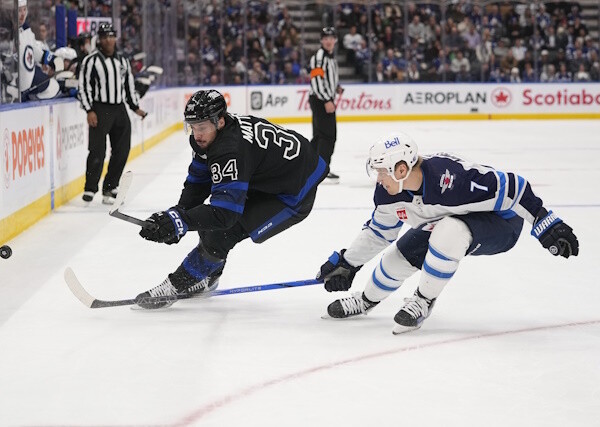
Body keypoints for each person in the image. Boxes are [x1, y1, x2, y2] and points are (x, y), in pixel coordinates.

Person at [317, 132, 579, 334]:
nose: (378, 179)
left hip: (501, 224)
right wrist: (347, 262)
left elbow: (514, 186)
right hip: (451, 220)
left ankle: (423, 300)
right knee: (396, 259)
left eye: (382, 171)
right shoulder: (388, 193)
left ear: (401, 169)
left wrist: (545, 221)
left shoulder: (452, 178)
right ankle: (365, 301)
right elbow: (378, 233)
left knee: (449, 232)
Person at [136, 89, 329, 309]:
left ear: (219, 121)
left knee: (223, 232)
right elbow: (198, 182)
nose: (196, 134)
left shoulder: (230, 150)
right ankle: (206, 278)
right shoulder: (213, 137)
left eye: (201, 127)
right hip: (275, 176)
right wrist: (177, 215)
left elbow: (224, 216)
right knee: (206, 219)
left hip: (294, 193)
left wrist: (179, 221)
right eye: (192, 126)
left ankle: (173, 287)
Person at [78, 23, 147, 204]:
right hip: (100, 109)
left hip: (119, 108)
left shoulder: (123, 61)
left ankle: (110, 187)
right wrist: (89, 110)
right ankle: (90, 188)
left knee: (122, 149)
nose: (109, 39)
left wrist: (134, 107)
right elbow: (84, 87)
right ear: (99, 40)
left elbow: (128, 85)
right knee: (97, 150)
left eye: (112, 36)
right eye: (105, 36)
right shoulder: (91, 61)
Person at [309, 27, 344, 183]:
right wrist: (326, 100)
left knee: (319, 136)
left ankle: (310, 167)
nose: (329, 41)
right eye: (326, 38)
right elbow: (316, 82)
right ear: (321, 41)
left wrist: (336, 87)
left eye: (331, 38)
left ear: (335, 40)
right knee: (328, 136)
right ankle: (321, 170)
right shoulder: (319, 58)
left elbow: (327, 79)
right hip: (321, 100)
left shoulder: (330, 58)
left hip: (324, 99)